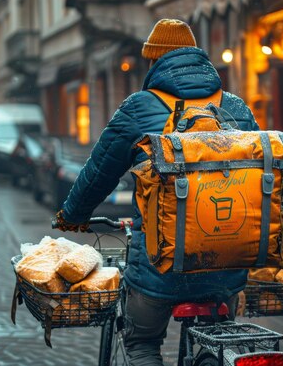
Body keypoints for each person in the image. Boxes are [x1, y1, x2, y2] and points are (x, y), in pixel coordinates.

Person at [55, 19, 260, 365]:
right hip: (228, 267)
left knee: (142, 344)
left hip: (159, 271)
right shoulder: (235, 107)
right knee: (220, 337)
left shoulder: (140, 107)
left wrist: (73, 215)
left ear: (154, 62)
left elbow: (99, 170)